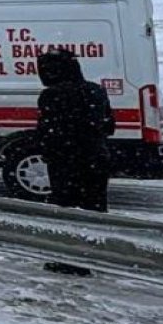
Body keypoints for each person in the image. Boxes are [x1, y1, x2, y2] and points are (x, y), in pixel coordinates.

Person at [35, 49, 115, 275]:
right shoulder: (96, 90)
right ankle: (93, 255)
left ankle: (70, 259)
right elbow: (109, 126)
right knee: (94, 207)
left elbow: (48, 131)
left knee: (67, 209)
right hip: (96, 158)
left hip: (66, 161)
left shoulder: (51, 95)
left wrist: (47, 148)